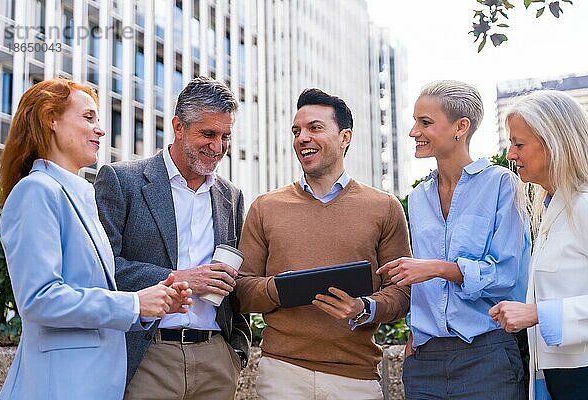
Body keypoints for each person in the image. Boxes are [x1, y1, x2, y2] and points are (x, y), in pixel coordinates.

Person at [0, 78, 191, 400]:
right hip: (58, 386)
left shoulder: (80, 193)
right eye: (88, 117)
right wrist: (133, 303)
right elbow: (39, 299)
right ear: (51, 119)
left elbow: (92, 290)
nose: (100, 129)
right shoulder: (36, 190)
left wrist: (149, 304)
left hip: (92, 383)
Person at [235, 88, 411, 399]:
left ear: (345, 137)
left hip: (355, 379)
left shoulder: (385, 208)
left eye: (315, 128)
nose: (302, 137)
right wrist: (282, 289)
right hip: (281, 374)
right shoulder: (265, 207)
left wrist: (363, 307)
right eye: (296, 131)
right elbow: (242, 292)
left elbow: (401, 294)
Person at [94, 76, 251, 400]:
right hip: (147, 355)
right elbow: (102, 269)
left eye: (225, 137)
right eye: (208, 134)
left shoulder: (231, 196)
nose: (218, 147)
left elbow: (238, 278)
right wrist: (180, 279)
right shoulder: (121, 181)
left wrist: (236, 351)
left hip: (216, 362)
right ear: (178, 126)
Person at [377, 80, 531, 400]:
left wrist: (438, 268)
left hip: (487, 356)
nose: (413, 132)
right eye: (415, 121)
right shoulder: (419, 197)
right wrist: (412, 344)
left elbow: (505, 274)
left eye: (425, 122)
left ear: (460, 127)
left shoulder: (503, 184)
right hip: (424, 360)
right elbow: (420, 287)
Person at [489, 90, 588, 400]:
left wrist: (538, 314)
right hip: (551, 377)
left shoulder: (584, 206)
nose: (510, 154)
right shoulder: (548, 210)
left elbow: (542, 313)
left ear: (554, 143)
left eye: (519, 144)